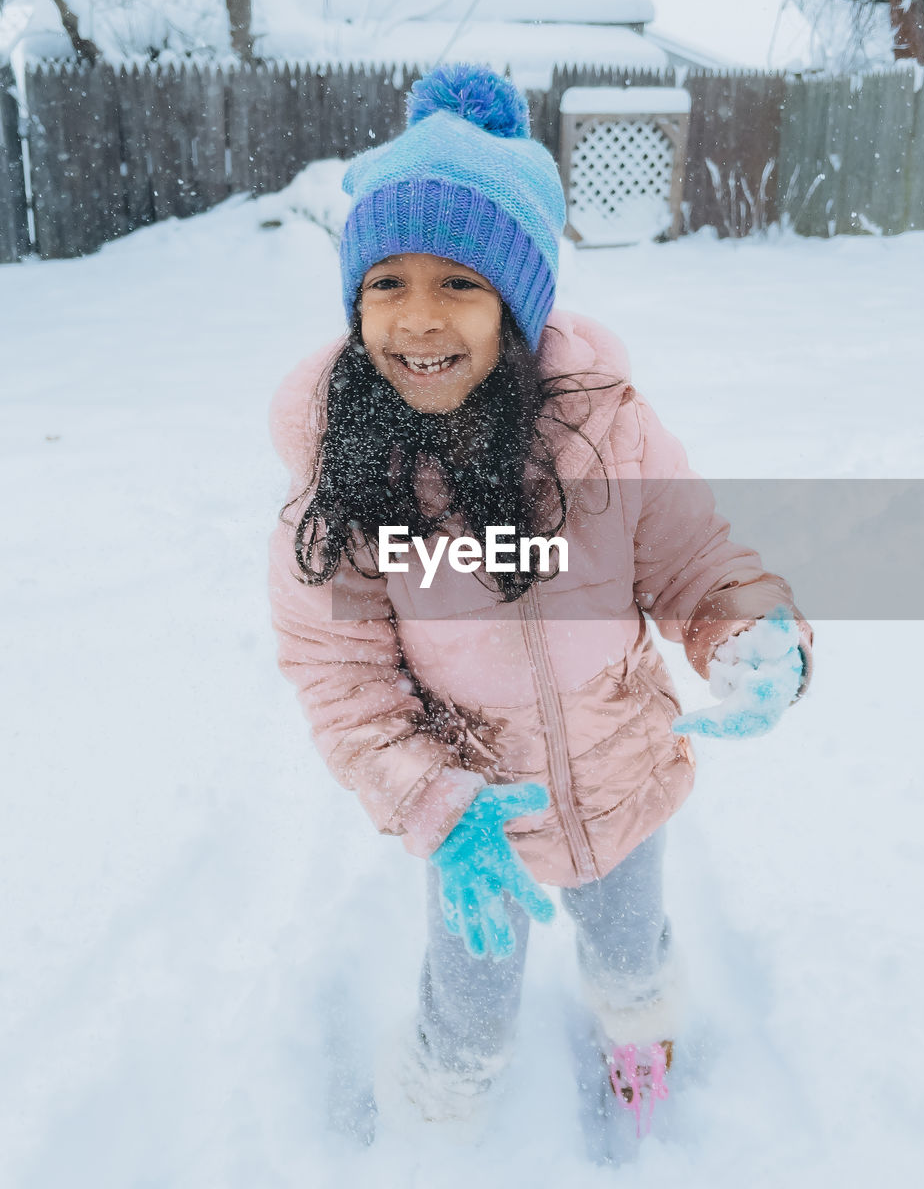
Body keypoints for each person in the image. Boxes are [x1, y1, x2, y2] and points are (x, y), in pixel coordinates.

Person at [268, 64, 813, 1140]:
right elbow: (343, 684)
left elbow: (695, 557)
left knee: (629, 946)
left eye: (459, 283)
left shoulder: (604, 432)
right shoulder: (349, 483)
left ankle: (639, 1037)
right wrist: (434, 802)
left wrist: (754, 630)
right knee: (468, 997)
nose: (418, 318)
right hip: (480, 812)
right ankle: (440, 1110)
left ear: (517, 300)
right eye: (387, 282)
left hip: (624, 773)